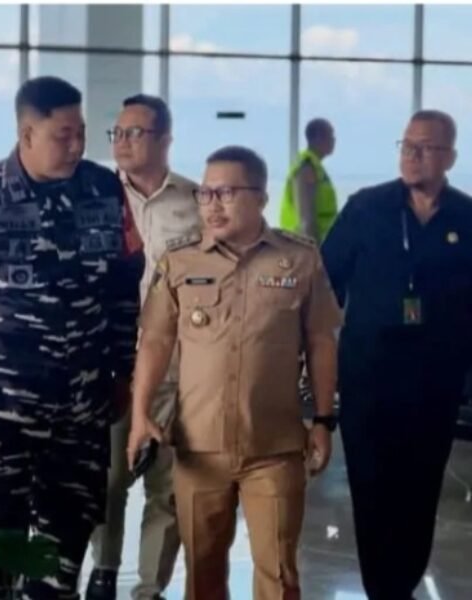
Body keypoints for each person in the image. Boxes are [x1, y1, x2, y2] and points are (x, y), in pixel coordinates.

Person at [0, 76, 144, 599]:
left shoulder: (103, 190)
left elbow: (123, 289)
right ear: (26, 134)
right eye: (64, 135)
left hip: (82, 410)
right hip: (4, 410)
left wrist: (124, 373)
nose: (77, 145)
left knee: (62, 556)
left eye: (82, 132)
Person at [127, 146, 341, 600]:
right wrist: (140, 414)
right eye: (205, 193)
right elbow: (155, 341)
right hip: (199, 448)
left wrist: (323, 420)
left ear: (260, 198)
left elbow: (321, 341)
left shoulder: (300, 260)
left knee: (279, 575)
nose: (212, 205)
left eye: (226, 193)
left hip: (274, 448)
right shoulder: (180, 261)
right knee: (202, 572)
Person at [321, 110, 472, 600]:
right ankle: (383, 589)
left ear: (449, 158)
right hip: (368, 379)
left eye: (426, 148)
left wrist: (456, 363)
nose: (412, 155)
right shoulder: (366, 208)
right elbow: (325, 283)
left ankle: (402, 584)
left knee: (419, 492)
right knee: (372, 491)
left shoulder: (470, 217)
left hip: (433, 384)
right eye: (407, 145)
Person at [87, 94, 199, 600]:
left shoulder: (196, 203)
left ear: (165, 139)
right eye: (118, 132)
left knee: (168, 488)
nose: (123, 142)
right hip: (114, 367)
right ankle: (104, 571)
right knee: (109, 478)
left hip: (180, 368)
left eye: (136, 132)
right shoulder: (97, 200)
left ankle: (150, 588)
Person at [280, 118, 337, 243]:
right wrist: (313, 250)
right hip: (303, 245)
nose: (334, 140)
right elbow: (306, 218)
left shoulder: (316, 167)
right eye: (331, 136)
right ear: (318, 138)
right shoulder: (307, 167)